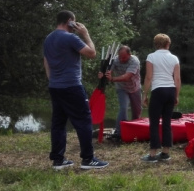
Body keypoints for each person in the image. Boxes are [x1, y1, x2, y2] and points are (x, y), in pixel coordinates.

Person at [43, 10, 108, 170]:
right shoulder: (70, 37)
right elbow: (92, 53)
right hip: (72, 86)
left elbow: (46, 62)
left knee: (58, 124)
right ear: (70, 21)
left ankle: (58, 160)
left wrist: (52, 80)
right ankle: (88, 159)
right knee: (84, 120)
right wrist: (85, 34)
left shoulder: (48, 39)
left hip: (55, 86)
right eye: (74, 22)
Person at [141, 34, 180, 162]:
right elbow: (177, 79)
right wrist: (176, 95)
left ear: (156, 44)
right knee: (167, 122)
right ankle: (165, 153)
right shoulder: (174, 58)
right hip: (170, 90)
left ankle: (152, 154)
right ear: (168, 44)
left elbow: (148, 77)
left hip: (158, 90)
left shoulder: (151, 57)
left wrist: (145, 94)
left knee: (154, 122)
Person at [99, 45, 142, 138]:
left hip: (135, 88)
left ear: (129, 55)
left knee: (137, 111)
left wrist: (112, 79)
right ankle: (119, 132)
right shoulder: (115, 60)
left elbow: (127, 77)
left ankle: (135, 130)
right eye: (120, 57)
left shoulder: (134, 61)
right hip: (122, 88)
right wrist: (103, 73)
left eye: (124, 57)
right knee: (124, 108)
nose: (121, 59)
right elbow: (108, 70)